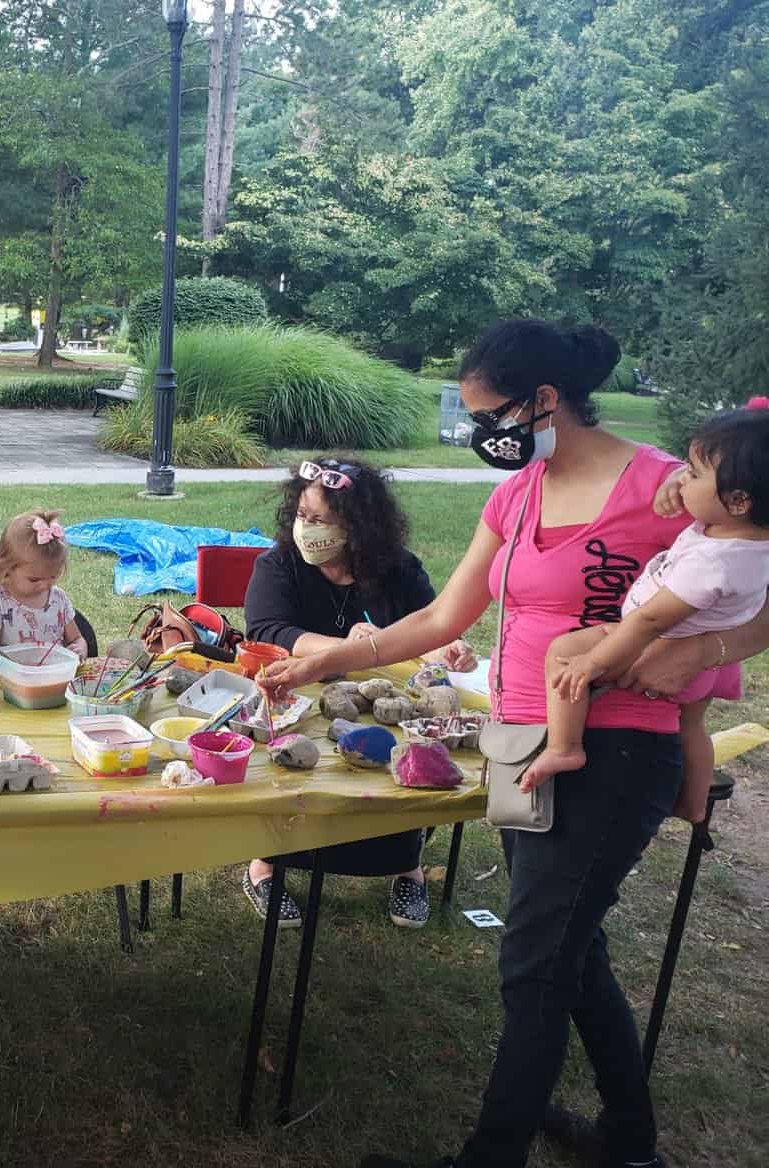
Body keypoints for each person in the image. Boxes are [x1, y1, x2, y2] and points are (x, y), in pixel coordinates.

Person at [259, 319, 769, 1168]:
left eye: (488, 414)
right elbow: (439, 618)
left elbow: (756, 584)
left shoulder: (665, 487)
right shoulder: (517, 494)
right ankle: (631, 1144)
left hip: (617, 751)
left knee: (534, 962)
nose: (479, 434)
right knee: (572, 947)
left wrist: (704, 649)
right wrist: (324, 662)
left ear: (543, 400)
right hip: (519, 743)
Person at [241, 457, 478, 931]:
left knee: (406, 760)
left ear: (357, 525)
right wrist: (351, 650)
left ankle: (405, 864)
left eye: (319, 519)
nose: (305, 528)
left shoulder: (401, 570)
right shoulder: (280, 563)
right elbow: (269, 629)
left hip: (383, 702)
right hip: (297, 696)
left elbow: (429, 627)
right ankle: (265, 865)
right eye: (301, 516)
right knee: (293, 764)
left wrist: (447, 650)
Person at [527, 401, 768, 820]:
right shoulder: (742, 534)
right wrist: (680, 484)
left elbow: (650, 620)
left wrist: (593, 661)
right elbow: (707, 493)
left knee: (563, 652)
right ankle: (694, 807)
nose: (680, 478)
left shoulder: (712, 563)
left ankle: (564, 749)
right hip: (709, 663)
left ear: (739, 499)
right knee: (692, 730)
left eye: (692, 474)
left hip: (660, 645)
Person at [0, 510, 86, 656]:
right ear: (7, 568)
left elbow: (77, 639)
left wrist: (79, 648)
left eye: (53, 576)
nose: (45, 585)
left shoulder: (58, 599)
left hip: (56, 676)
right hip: (10, 677)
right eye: (34, 579)